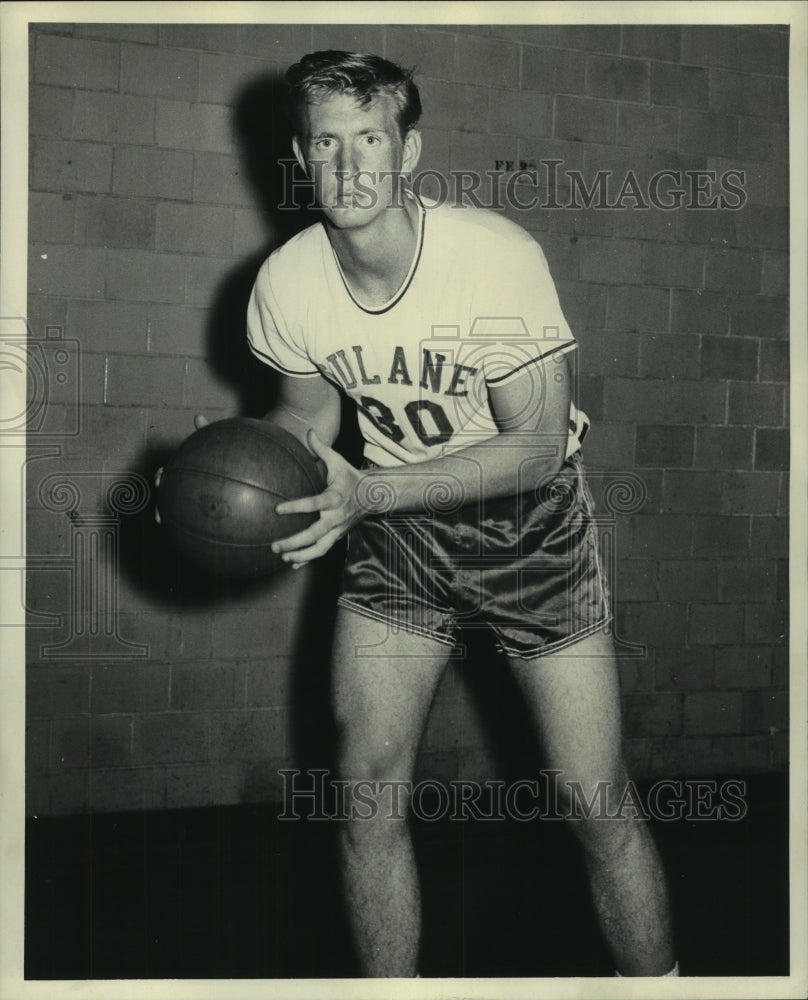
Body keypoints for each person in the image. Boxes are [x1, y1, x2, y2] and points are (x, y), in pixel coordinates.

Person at [245, 50, 677, 978]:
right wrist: (242, 458)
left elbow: (533, 444)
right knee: (364, 788)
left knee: (592, 799)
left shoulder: (493, 259)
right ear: (300, 157)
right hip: (399, 528)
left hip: (530, 521)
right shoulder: (288, 283)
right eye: (328, 143)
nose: (350, 166)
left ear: (408, 153)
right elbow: (309, 416)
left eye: (371, 140)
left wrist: (370, 495)